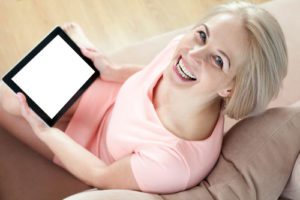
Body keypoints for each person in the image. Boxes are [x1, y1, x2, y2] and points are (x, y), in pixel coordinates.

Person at [0, 1, 287, 194]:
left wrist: (44, 131)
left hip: (89, 150)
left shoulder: (174, 161)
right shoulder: (184, 50)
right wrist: (111, 70)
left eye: (218, 60)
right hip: (107, 97)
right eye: (202, 35)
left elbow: (100, 175)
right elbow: (152, 71)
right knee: (63, 37)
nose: (194, 54)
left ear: (230, 89)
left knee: (6, 101)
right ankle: (81, 46)